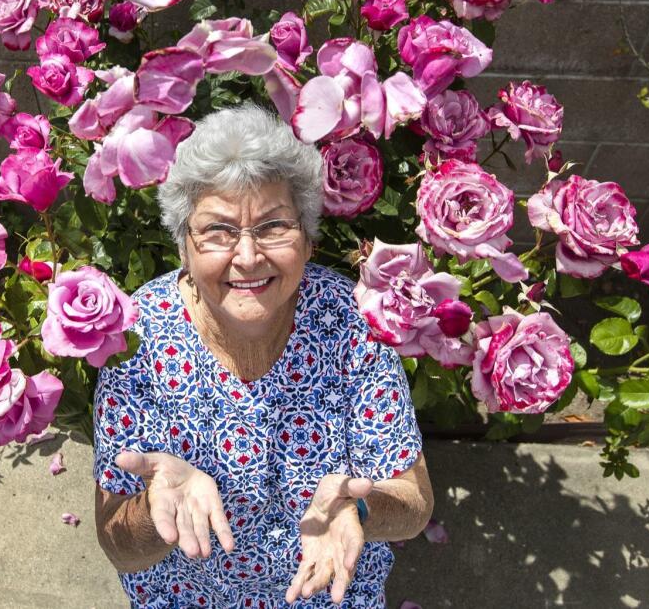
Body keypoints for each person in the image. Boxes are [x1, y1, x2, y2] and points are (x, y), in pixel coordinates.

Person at [93, 104, 434, 607]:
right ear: (183, 247)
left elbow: (415, 502)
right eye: (218, 231)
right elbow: (117, 544)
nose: (248, 257)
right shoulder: (136, 338)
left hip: (331, 589)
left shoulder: (349, 321)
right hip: (193, 596)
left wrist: (358, 511)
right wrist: (153, 510)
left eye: (273, 227)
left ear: (308, 239)